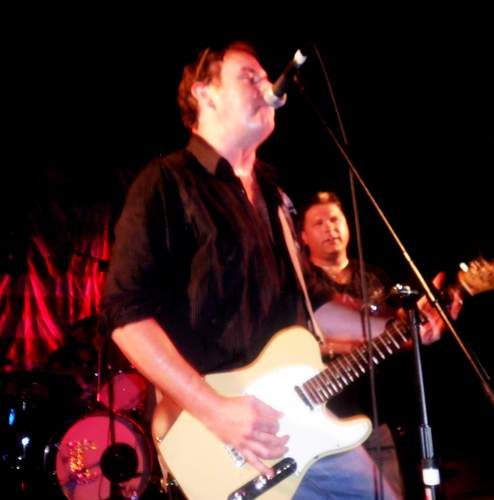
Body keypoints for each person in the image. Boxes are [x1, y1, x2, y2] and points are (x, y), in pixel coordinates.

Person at [102, 41, 418, 499]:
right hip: (218, 434)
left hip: (299, 421)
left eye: (266, 77)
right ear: (204, 93)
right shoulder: (167, 182)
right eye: (249, 77)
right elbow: (125, 315)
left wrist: (403, 325)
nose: (268, 86)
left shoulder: (273, 196)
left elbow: (313, 304)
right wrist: (214, 409)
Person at [299, 191, 463, 498]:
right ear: (303, 237)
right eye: (318, 223)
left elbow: (395, 335)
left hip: (378, 421)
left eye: (335, 219)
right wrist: (352, 343)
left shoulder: (374, 276)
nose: (330, 228)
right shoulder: (300, 283)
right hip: (320, 419)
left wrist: (421, 327)